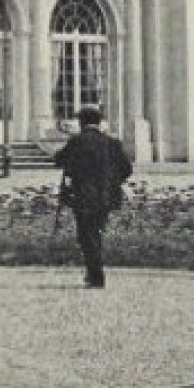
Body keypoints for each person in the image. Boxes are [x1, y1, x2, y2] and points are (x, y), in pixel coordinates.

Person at [52, 105, 132, 289]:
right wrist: (112, 182)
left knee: (87, 235)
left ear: (81, 122)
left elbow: (58, 160)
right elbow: (127, 169)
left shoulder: (77, 142)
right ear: (99, 122)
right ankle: (94, 273)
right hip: (106, 196)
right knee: (95, 232)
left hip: (83, 196)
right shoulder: (112, 143)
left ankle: (96, 275)